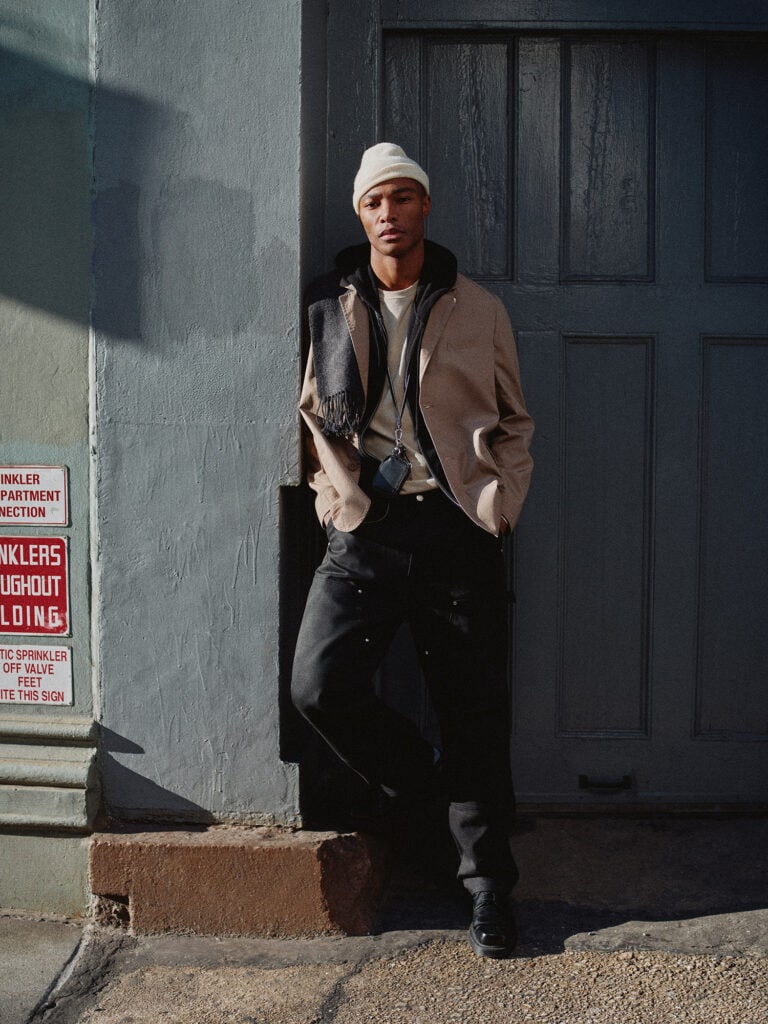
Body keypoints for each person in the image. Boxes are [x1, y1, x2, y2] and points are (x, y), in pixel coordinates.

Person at [291, 142, 534, 958]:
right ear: (360, 215)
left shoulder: (478, 308)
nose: (388, 216)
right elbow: (313, 413)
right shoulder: (331, 305)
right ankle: (429, 800)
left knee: (474, 709)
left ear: (426, 207)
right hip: (365, 529)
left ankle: (489, 887)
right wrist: (336, 502)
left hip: (455, 525)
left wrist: (498, 505)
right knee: (319, 687)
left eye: (403, 199)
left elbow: (514, 421)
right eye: (374, 204)